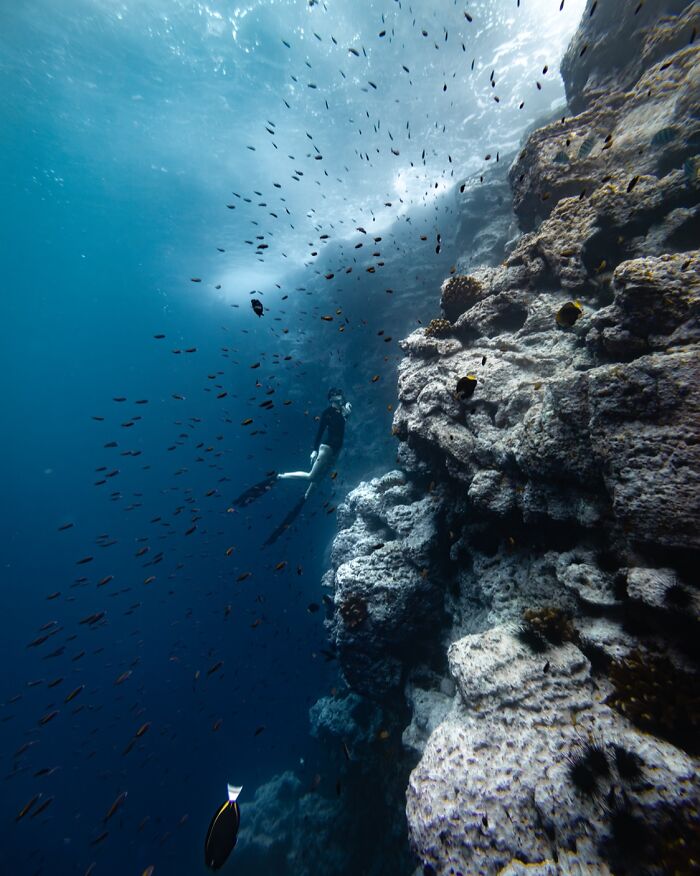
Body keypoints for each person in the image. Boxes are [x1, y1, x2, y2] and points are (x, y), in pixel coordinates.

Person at [277, 388, 352, 499]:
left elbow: (341, 424)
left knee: (320, 478)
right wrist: (314, 450)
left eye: (340, 394)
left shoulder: (343, 412)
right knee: (311, 476)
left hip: (337, 449)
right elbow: (320, 432)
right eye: (337, 394)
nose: (340, 396)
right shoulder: (327, 413)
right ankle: (281, 476)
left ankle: (306, 496)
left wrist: (347, 413)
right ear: (331, 398)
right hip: (327, 447)